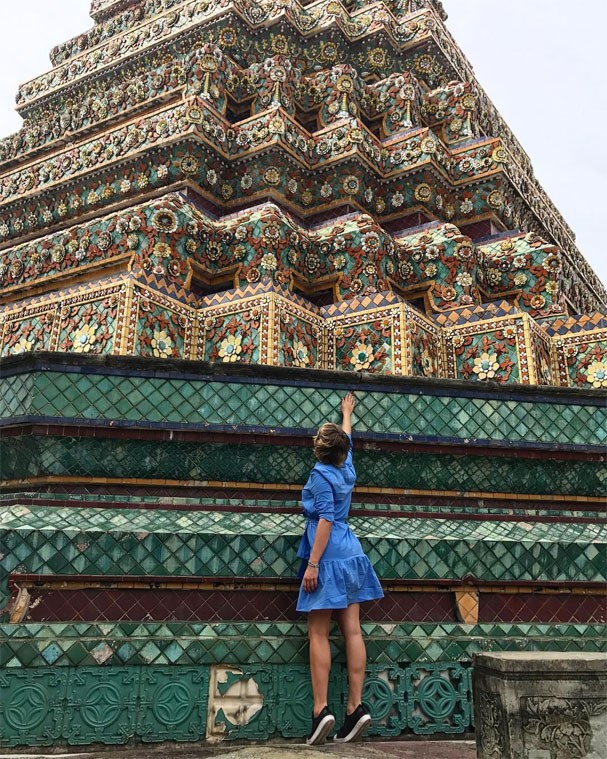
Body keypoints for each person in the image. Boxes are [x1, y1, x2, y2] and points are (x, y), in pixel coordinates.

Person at [296, 391, 384, 745]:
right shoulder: (346, 469)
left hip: (327, 552)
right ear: (342, 451)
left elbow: (326, 520)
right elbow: (350, 442)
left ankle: (321, 710)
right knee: (352, 630)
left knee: (318, 631)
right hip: (352, 552)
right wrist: (347, 413)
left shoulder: (320, 474)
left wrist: (312, 564)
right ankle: (355, 707)